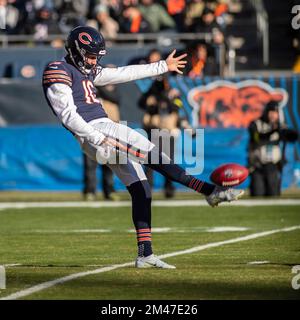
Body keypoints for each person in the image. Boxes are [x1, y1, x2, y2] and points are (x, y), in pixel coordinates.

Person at [42, 26, 243, 269]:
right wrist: (96, 135)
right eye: (91, 55)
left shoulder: (85, 70)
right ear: (76, 51)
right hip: (98, 130)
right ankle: (210, 191)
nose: (94, 61)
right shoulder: (57, 70)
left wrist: (161, 66)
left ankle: (145, 254)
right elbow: (68, 116)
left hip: (99, 133)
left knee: (141, 188)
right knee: (154, 155)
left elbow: (123, 73)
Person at [248, 101, 298, 196]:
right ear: (266, 112)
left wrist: (286, 132)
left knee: (273, 194)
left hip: (273, 166)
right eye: (271, 112)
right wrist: (274, 131)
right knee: (257, 193)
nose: (273, 115)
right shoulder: (255, 124)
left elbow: (292, 137)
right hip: (257, 166)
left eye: (275, 113)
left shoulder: (281, 127)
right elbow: (257, 138)